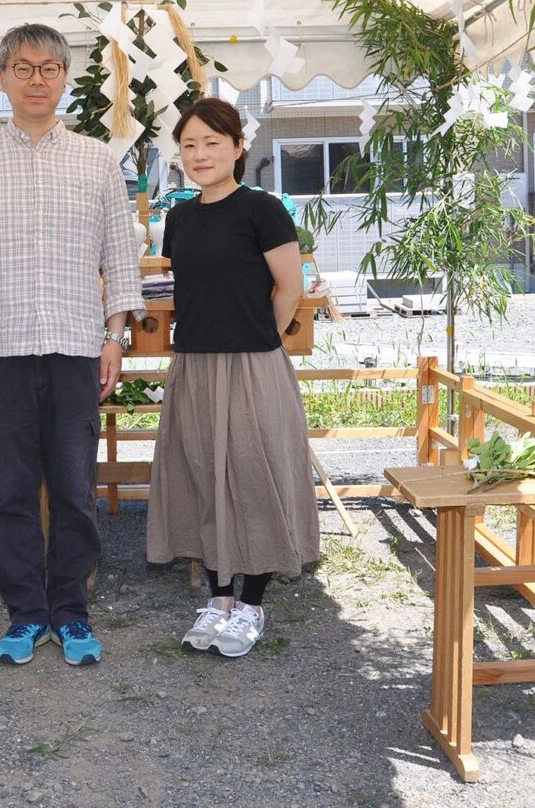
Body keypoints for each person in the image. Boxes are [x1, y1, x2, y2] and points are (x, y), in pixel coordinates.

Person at [0, 24, 144, 666]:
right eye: (22, 68)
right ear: (2, 78)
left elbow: (120, 255)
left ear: (64, 80)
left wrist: (115, 338)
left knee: (76, 488)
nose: (35, 80)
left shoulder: (98, 159)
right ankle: (25, 614)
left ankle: (72, 614)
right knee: (14, 491)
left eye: (49, 68)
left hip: (79, 345)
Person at [147, 97, 320, 658]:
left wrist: (258, 339)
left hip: (253, 366)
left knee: (254, 475)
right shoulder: (179, 215)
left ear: (239, 148)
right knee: (204, 476)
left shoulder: (263, 210)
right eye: (189, 145)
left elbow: (290, 289)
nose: (199, 154)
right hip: (194, 365)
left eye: (212, 143)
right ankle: (217, 600)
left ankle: (251, 604)